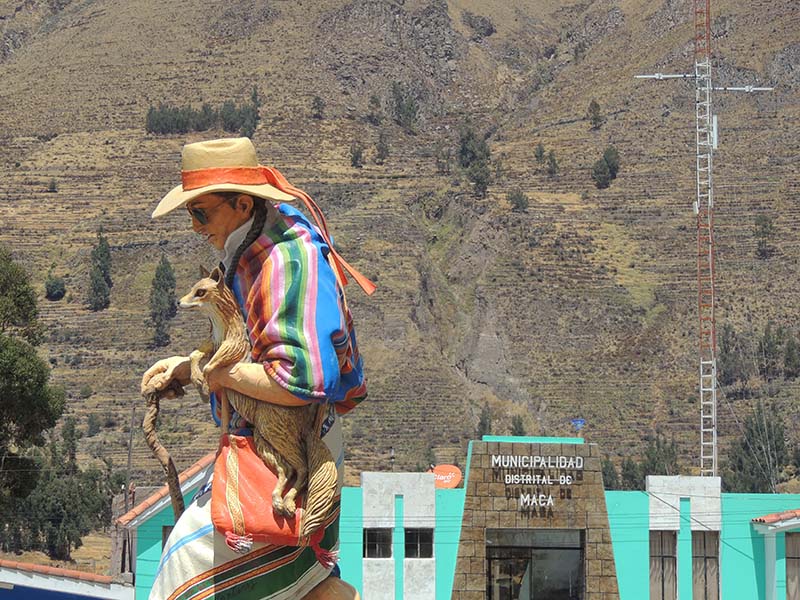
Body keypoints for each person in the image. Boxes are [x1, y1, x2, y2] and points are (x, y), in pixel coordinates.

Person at [141, 137, 373, 600]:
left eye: (201, 212)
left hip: (292, 451)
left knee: (185, 564)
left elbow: (300, 381)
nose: (195, 226)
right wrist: (188, 368)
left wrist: (210, 370)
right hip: (270, 444)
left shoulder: (284, 261)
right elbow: (247, 350)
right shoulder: (252, 249)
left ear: (242, 204)